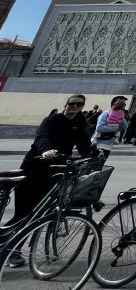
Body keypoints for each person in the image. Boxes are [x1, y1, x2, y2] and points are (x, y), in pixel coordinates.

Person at [8, 94, 96, 257]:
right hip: (34, 168)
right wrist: (45, 150)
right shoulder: (52, 120)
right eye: (72, 103)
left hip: (55, 172)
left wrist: (94, 153)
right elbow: (42, 136)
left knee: (39, 213)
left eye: (79, 104)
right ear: (66, 105)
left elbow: (84, 144)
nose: (75, 107)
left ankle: (16, 247)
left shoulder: (78, 123)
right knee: (24, 213)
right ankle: (11, 249)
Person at [92, 95, 129, 160]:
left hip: (108, 145)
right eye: (121, 103)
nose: (123, 105)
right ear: (114, 103)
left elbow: (125, 126)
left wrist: (121, 116)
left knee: (100, 166)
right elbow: (99, 128)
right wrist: (117, 128)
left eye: (124, 103)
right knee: (94, 166)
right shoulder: (106, 114)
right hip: (99, 145)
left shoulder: (120, 114)